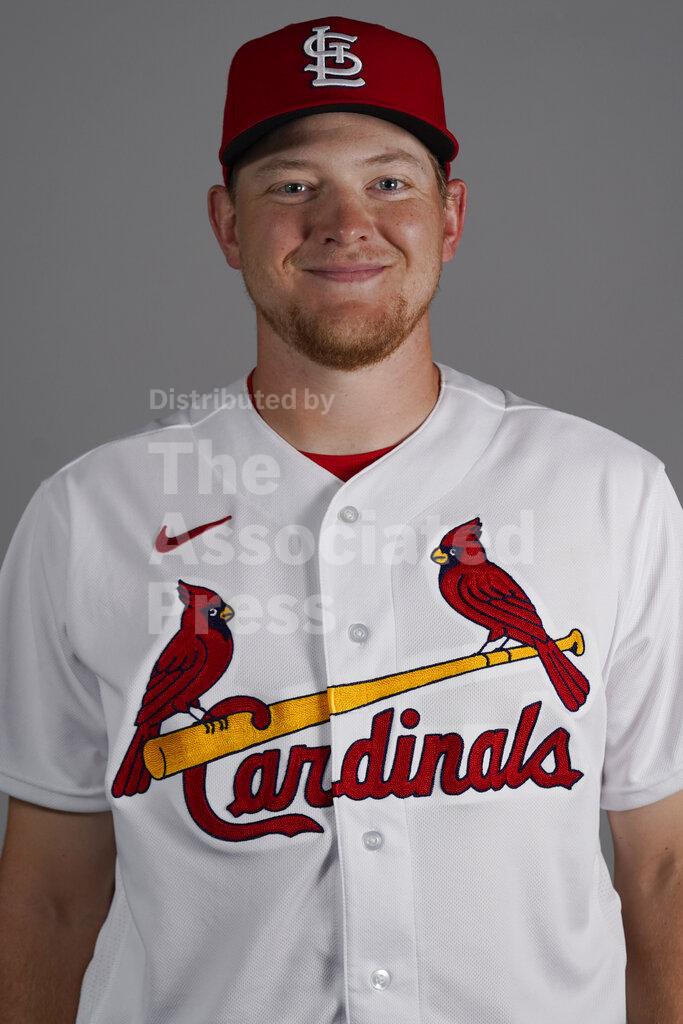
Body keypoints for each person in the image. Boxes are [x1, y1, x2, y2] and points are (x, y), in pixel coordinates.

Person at [0, 15, 681, 1024]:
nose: (343, 221)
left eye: (389, 182)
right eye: (290, 185)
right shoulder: (88, 517)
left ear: (450, 218)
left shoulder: (610, 491)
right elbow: (52, 896)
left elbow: (661, 870)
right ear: (228, 227)